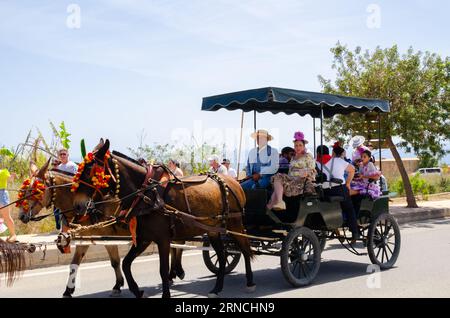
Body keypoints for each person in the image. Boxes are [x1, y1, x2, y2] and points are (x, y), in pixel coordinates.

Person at [316, 142, 360, 242]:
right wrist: (348, 183)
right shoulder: (338, 160)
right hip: (339, 190)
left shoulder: (316, 163)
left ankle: (335, 229)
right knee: (349, 208)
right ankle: (354, 232)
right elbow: (352, 170)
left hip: (324, 191)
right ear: (329, 152)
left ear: (318, 153)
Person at [267, 132, 316, 211]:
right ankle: (273, 206)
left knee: (279, 178)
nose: (298, 147)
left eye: (300, 145)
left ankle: (274, 204)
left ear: (304, 146)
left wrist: (302, 172)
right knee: (278, 179)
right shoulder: (293, 158)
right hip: (291, 180)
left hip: (302, 181)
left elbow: (311, 170)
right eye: (296, 145)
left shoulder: (308, 156)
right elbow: (290, 172)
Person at [0, 168, 17, 242]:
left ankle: (13, 235)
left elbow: (10, 180)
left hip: (2, 194)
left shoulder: (4, 171)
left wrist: (12, 176)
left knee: (6, 216)